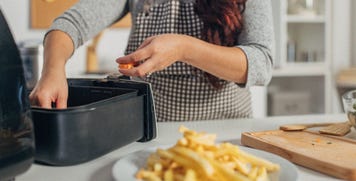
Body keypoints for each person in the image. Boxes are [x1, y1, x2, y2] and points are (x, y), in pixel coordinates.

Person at [29, 0, 274, 122]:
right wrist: (52, 70)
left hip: (223, 133)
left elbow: (261, 63)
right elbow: (71, 23)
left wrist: (184, 48)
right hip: (147, 133)